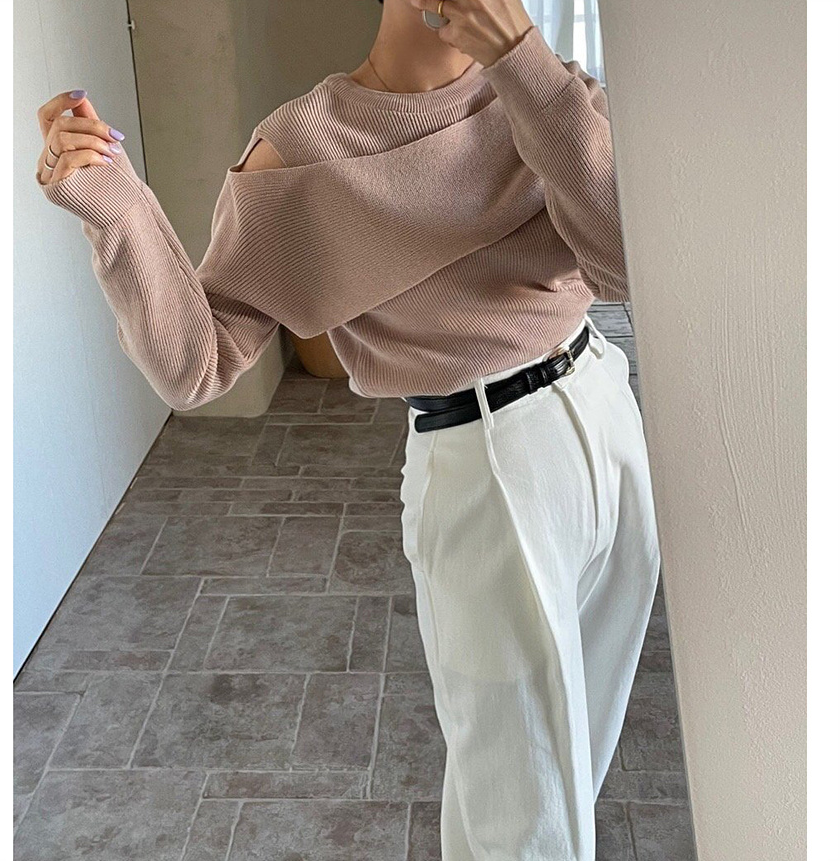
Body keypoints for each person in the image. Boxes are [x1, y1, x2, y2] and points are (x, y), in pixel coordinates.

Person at [34, 0, 660, 857]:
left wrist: (521, 61)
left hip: (602, 403)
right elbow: (194, 363)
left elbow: (628, 265)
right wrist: (117, 210)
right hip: (488, 461)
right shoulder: (302, 152)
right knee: (520, 806)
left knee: (566, 767)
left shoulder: (546, 86)